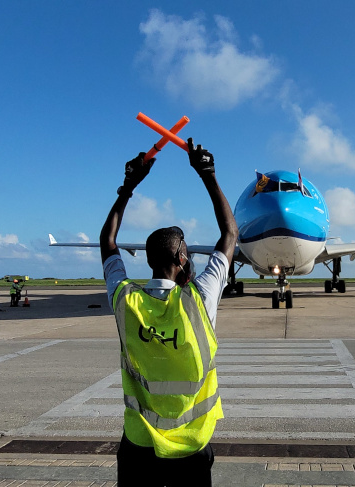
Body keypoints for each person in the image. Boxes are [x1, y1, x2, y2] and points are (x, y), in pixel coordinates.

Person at [100, 138, 237, 487]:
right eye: (187, 251)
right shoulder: (200, 298)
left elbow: (108, 243)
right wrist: (207, 174)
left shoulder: (125, 301)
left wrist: (128, 187)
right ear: (181, 259)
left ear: (148, 261)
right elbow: (230, 234)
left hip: (140, 443)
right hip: (191, 446)